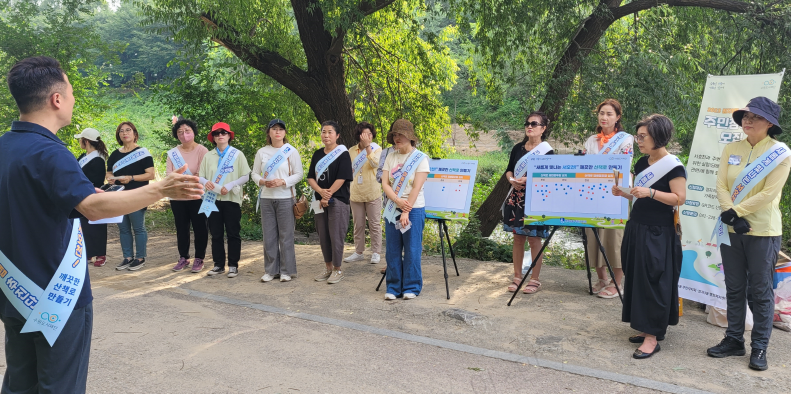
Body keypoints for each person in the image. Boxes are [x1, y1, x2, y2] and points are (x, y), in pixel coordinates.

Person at [0, 56, 202, 394]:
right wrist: (160, 188)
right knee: (59, 384)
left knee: (20, 381)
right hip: (56, 294)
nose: (73, 98)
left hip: (14, 289)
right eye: (72, 91)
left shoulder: (5, 146)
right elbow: (92, 208)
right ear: (57, 99)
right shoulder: (51, 152)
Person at [706, 97, 791, 371]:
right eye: (745, 115)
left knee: (760, 290)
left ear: (769, 123)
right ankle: (733, 340)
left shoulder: (780, 153)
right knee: (734, 287)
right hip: (731, 229)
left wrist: (736, 212)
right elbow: (720, 184)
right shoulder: (732, 148)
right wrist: (732, 215)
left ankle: (760, 347)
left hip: (763, 231)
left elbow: (769, 194)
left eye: (755, 116)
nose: (747, 119)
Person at [613, 114, 686, 359]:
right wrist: (624, 193)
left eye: (643, 137)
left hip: (659, 232)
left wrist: (651, 192)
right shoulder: (642, 163)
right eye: (638, 136)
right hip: (637, 227)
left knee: (655, 281)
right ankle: (645, 327)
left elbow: (679, 199)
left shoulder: (673, 165)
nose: (638, 141)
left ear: (659, 137)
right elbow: (639, 195)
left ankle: (653, 336)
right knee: (637, 278)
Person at [583, 99, 633, 299]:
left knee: (615, 238)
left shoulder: (625, 139)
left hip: (616, 193)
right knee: (593, 235)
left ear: (618, 117)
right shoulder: (590, 141)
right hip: (592, 194)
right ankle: (602, 278)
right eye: (601, 113)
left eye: (609, 114)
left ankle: (617, 282)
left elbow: (624, 166)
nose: (604, 117)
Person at [503, 111, 554, 294]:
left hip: (536, 200)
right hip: (516, 198)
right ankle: (517, 277)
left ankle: (534, 279)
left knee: (534, 239)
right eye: (527, 124)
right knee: (517, 238)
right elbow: (509, 170)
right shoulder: (518, 148)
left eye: (534, 124)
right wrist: (511, 181)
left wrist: (528, 180)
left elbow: (549, 177)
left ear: (543, 128)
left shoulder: (547, 151)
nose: (529, 127)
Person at [381, 119, 430, 300]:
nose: (396, 138)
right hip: (393, 207)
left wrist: (406, 210)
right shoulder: (391, 156)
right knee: (392, 249)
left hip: (414, 209)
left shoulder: (421, 158)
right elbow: (385, 183)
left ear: (410, 137)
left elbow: (416, 188)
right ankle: (393, 287)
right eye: (394, 134)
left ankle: (411, 286)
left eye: (400, 134)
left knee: (412, 248)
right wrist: (396, 201)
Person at [251, 119, 303, 282]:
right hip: (267, 198)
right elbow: (254, 173)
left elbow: (299, 174)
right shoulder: (262, 152)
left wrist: (283, 181)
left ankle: (286, 271)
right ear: (269, 133)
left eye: (281, 129)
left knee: (286, 235)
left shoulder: (291, 151)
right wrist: (263, 181)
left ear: (285, 133)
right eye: (274, 129)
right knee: (269, 236)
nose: (278, 132)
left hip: (285, 198)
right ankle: (271, 270)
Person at [199, 122, 251, 278]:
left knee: (233, 233)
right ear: (213, 138)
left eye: (223, 133)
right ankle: (218, 265)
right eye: (216, 133)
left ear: (229, 135)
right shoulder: (208, 155)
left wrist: (230, 185)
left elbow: (246, 176)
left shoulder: (237, 154)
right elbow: (201, 175)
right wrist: (204, 182)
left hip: (231, 199)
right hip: (212, 199)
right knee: (216, 234)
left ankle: (233, 265)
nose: (220, 135)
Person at [307, 121, 353, 284]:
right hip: (318, 201)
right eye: (323, 132)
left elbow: (342, 178)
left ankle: (337, 269)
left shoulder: (343, 154)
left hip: (338, 200)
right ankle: (328, 268)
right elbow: (310, 177)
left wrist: (328, 195)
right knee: (323, 235)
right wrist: (320, 192)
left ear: (337, 135)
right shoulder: (318, 154)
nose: (326, 135)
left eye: (330, 132)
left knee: (336, 235)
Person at [106, 121, 156, 271]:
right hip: (119, 196)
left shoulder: (143, 153)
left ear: (134, 134)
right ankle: (127, 257)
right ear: (118, 135)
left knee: (138, 227)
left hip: (137, 195)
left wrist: (131, 178)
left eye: (128, 130)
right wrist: (110, 178)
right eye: (121, 131)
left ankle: (140, 258)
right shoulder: (115, 154)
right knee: (123, 229)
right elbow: (109, 172)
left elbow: (151, 174)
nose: (125, 133)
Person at [167, 118, 210, 273]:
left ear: (193, 132)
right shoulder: (173, 153)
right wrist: (183, 180)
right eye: (180, 132)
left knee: (200, 228)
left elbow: (202, 173)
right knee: (181, 228)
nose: (184, 134)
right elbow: (169, 174)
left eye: (187, 131)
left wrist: (184, 179)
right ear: (176, 135)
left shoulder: (202, 150)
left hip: (197, 196)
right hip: (177, 196)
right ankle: (183, 257)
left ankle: (199, 258)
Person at [344, 122, 383, 265]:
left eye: (370, 134)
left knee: (374, 224)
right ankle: (358, 252)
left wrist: (367, 147)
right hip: (355, 193)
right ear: (359, 135)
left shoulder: (377, 149)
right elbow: (348, 170)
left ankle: (376, 252)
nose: (368, 137)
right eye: (365, 134)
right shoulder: (351, 150)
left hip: (372, 192)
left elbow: (375, 164)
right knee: (358, 224)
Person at [74, 128, 109, 267]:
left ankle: (100, 253)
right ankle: (87, 253)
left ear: (86, 141)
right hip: (80, 195)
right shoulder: (83, 156)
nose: (79, 142)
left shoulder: (98, 160)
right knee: (83, 226)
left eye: (80, 139)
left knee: (97, 225)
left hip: (93, 195)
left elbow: (96, 180)